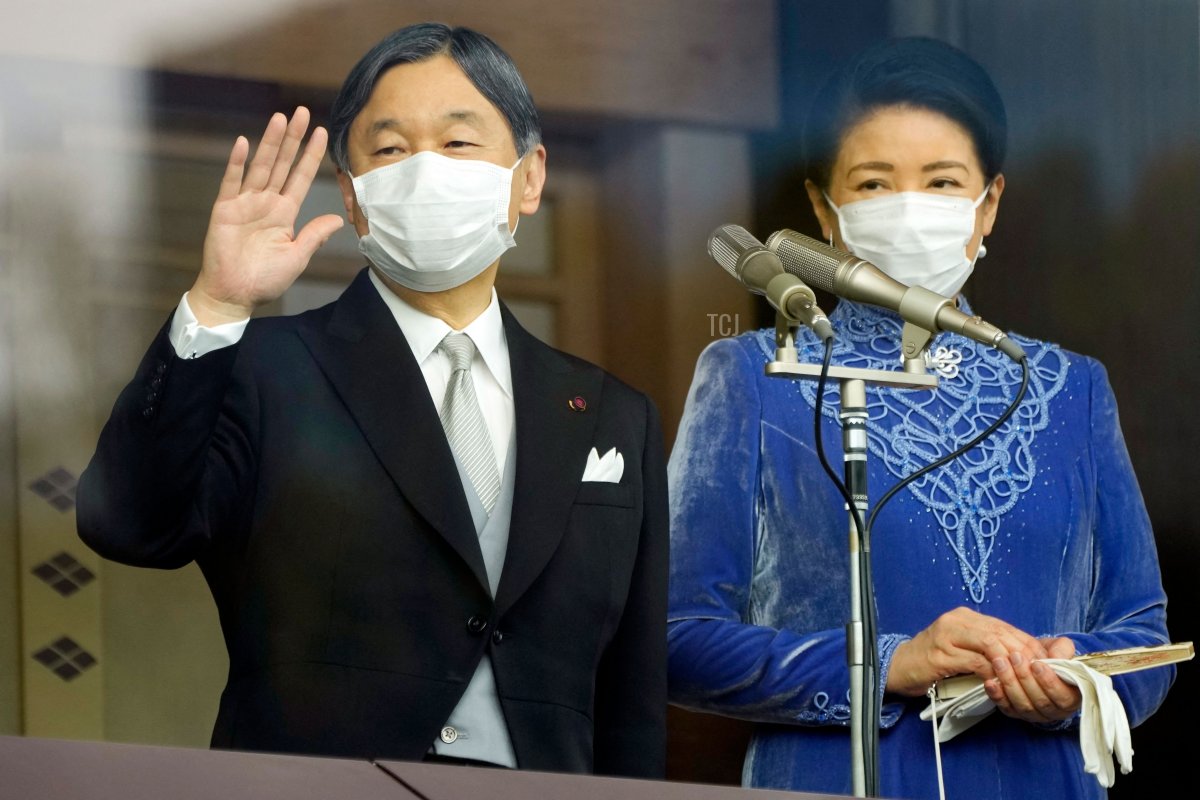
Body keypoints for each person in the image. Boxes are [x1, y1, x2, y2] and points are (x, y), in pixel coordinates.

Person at [77, 23, 667, 777]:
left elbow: (634, 692)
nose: (424, 171)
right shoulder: (267, 369)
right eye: (389, 150)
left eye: (458, 144)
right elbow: (127, 524)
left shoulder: (613, 414)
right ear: (353, 198)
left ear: (529, 176)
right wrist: (217, 303)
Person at [666, 37, 1173, 799]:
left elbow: (1144, 639)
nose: (911, 208)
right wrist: (891, 664)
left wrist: (1075, 684)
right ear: (822, 210)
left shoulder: (1073, 387)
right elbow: (673, 639)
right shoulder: (754, 376)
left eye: (943, 183)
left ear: (988, 204)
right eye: (874, 183)